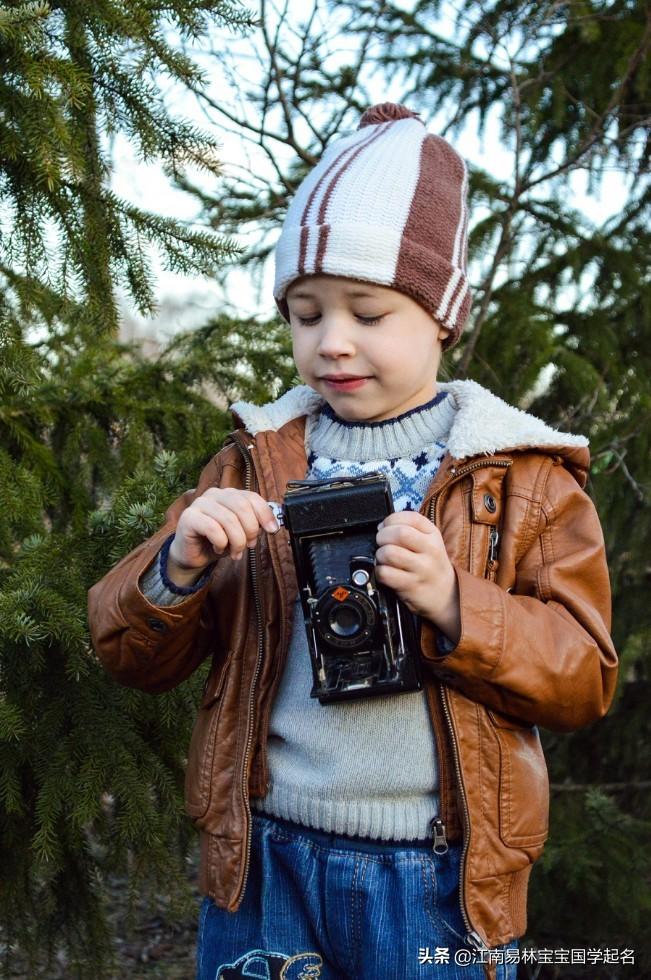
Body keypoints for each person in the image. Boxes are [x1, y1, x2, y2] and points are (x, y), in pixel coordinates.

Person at [87, 103, 618, 980]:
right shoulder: (255, 462)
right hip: (266, 863)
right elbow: (128, 652)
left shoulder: (519, 479)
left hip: (439, 877)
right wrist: (176, 568)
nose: (331, 342)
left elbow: (584, 676)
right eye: (304, 314)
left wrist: (457, 605)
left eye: (367, 313)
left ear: (440, 317)